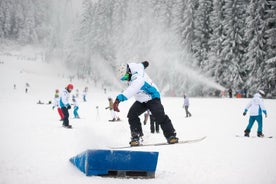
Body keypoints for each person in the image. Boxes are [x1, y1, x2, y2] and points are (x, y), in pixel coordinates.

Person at [113, 61, 178, 146]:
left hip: (152, 97)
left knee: (159, 115)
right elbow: (141, 65)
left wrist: (118, 99)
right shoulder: (136, 67)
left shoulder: (137, 77)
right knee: (132, 114)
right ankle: (137, 136)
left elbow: (133, 88)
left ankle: (171, 136)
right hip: (141, 100)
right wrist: (144, 64)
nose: (126, 79)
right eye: (123, 78)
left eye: (125, 77)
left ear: (128, 72)